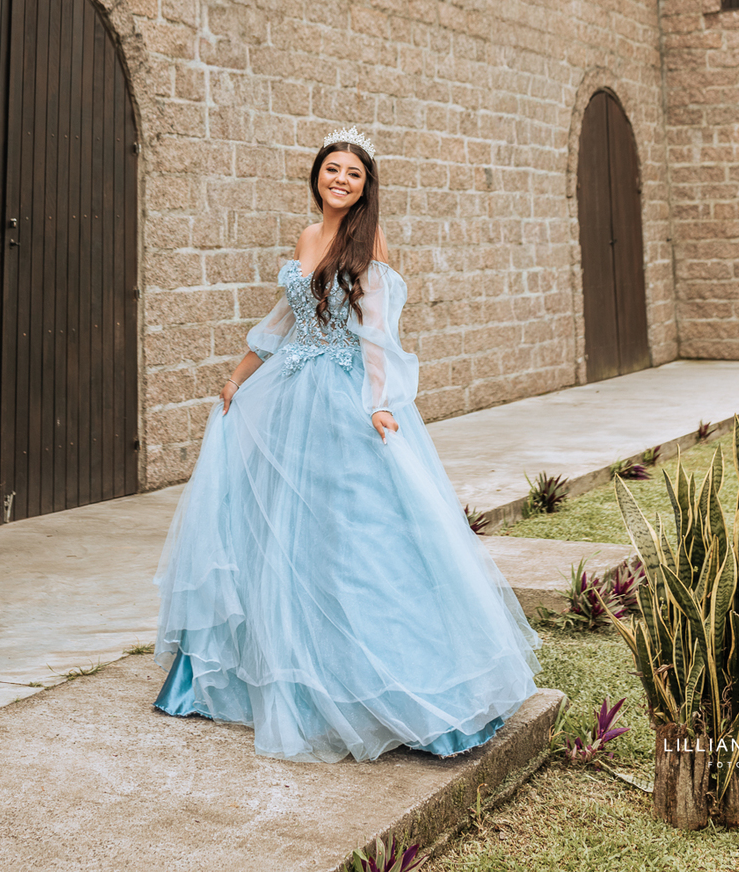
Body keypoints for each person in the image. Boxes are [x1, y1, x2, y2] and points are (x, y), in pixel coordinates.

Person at [152, 125, 540, 762]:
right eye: (333, 169)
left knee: (355, 532)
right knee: (284, 531)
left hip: (342, 399)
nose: (341, 179)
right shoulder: (307, 238)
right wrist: (238, 375)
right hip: (287, 396)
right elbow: (286, 317)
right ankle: (288, 668)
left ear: (365, 188)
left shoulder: (371, 243)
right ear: (317, 177)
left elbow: (376, 332)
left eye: (354, 174)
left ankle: (388, 685)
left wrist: (379, 404)